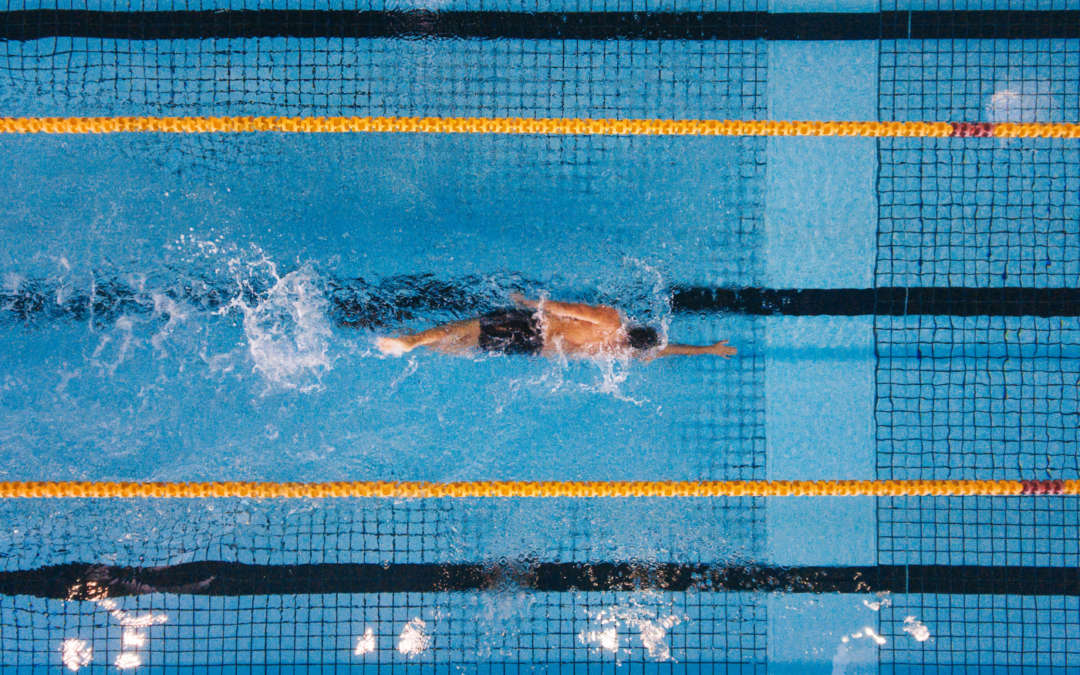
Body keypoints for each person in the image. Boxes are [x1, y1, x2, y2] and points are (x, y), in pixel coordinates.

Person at [376, 294, 736, 361]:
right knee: (465, 344)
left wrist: (533, 304)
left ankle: (411, 340)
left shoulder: (612, 320)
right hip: (532, 348)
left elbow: (569, 308)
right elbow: (663, 349)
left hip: (533, 326)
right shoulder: (617, 349)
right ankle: (418, 345)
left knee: (463, 326)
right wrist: (708, 350)